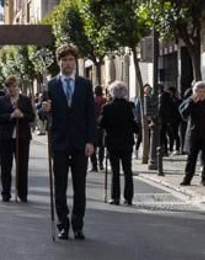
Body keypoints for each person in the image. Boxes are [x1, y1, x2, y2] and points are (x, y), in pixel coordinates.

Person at [41, 44, 97, 240]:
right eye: (64, 60)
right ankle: (63, 225)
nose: (68, 63)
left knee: (80, 188)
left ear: (75, 62)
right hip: (59, 143)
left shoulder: (84, 84)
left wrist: (91, 140)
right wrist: (44, 108)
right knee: (60, 188)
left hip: (81, 143)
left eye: (71, 60)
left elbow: (91, 114)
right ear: (59, 62)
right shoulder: (51, 86)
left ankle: (78, 225)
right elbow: (43, 113)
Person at [0, 75, 34, 203]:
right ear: (7, 88)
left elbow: (32, 116)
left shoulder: (25, 100)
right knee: (6, 166)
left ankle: (22, 193)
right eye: (10, 86)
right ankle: (5, 193)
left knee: (22, 167)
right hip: (5, 138)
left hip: (22, 137)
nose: (13, 89)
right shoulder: (1, 100)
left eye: (15, 86)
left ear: (18, 87)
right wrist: (11, 115)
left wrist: (22, 115)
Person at [98, 81, 139, 206]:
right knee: (128, 171)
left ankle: (115, 197)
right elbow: (135, 126)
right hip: (127, 142)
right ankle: (128, 198)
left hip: (113, 143)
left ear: (112, 93)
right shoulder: (130, 106)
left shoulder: (107, 107)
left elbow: (101, 123)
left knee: (115, 171)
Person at [179, 80, 205, 186]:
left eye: (203, 91)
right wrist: (192, 102)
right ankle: (187, 178)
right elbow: (183, 114)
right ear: (194, 92)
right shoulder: (190, 101)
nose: (201, 94)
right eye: (198, 91)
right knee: (191, 158)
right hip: (194, 135)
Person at [91, 81, 106, 172]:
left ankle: (94, 165)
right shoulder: (105, 100)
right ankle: (101, 164)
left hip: (93, 125)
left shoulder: (92, 100)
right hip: (102, 126)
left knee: (93, 146)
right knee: (101, 146)